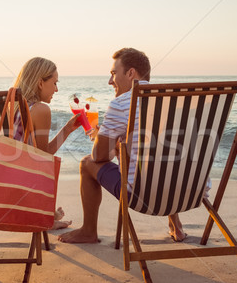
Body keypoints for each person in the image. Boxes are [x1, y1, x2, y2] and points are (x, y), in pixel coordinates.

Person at [58, 48, 187, 243]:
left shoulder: (121, 104)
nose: (110, 81)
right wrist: (118, 144)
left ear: (130, 73)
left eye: (113, 74)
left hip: (143, 196)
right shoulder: (173, 101)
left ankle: (88, 231)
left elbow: (99, 158)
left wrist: (100, 138)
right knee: (164, 154)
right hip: (189, 191)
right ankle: (176, 225)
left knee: (86, 164)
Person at [12, 57, 82, 229]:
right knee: (43, 162)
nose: (56, 89)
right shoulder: (40, 109)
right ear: (40, 83)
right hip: (23, 187)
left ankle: (46, 213)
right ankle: (42, 215)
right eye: (54, 83)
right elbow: (44, 156)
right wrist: (66, 130)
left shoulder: (10, 107)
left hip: (5, 184)